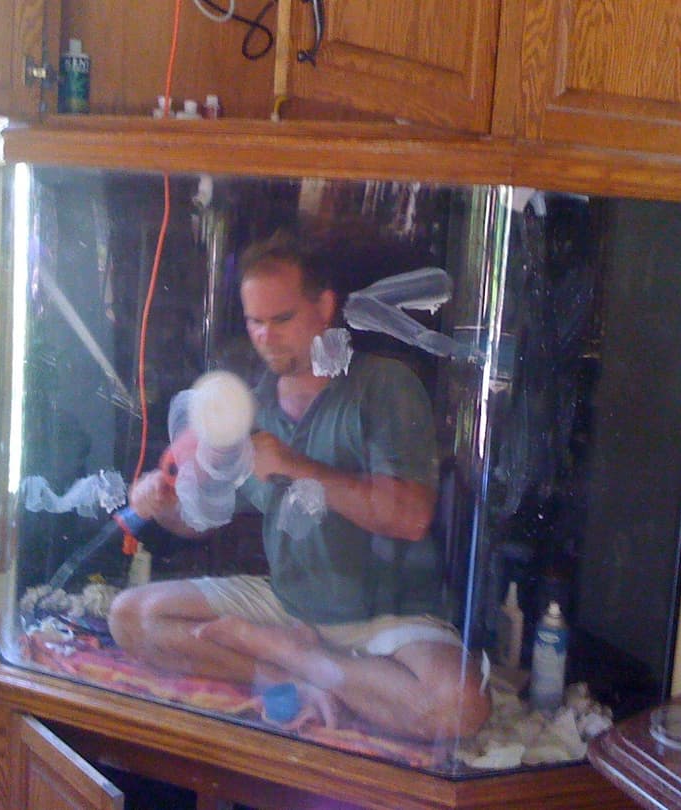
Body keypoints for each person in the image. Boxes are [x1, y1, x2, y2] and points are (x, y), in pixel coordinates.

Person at [108, 232, 491, 742]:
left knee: (458, 709)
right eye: (255, 321)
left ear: (324, 307)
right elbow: (202, 520)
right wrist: (162, 504)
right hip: (286, 603)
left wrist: (296, 465)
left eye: (282, 319)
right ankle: (293, 672)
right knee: (131, 616)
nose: (265, 337)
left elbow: (411, 516)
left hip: (385, 617)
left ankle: (292, 655)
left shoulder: (384, 385)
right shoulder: (251, 405)